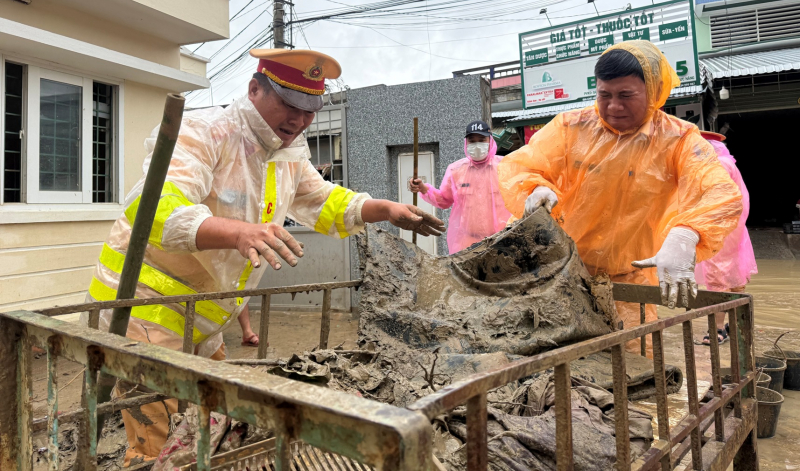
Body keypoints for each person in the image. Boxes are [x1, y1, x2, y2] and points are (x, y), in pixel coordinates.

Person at [86, 48, 444, 466]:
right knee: (158, 445)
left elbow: (324, 200)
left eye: (309, 111)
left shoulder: (287, 153)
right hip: (143, 310)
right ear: (254, 89)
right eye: (289, 105)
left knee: (208, 430)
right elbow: (154, 209)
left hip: (202, 316)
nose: (299, 120)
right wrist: (238, 232)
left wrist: (385, 208)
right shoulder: (206, 132)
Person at [498, 40, 742, 356]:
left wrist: (686, 233)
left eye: (626, 96)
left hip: (630, 280)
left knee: (632, 364)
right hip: (560, 271)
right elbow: (523, 165)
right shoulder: (571, 127)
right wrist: (535, 188)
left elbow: (720, 191)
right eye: (605, 95)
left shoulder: (678, 140)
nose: (613, 106)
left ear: (654, 91)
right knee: (554, 359)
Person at [409, 120, 512, 254]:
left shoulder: (506, 166)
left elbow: (520, 196)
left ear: (490, 141)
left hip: (502, 241)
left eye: (482, 140)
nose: (477, 145)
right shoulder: (456, 170)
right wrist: (424, 189)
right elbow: (444, 200)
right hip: (468, 243)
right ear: (466, 143)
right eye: (472, 141)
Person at [695, 131, 757, 346]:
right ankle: (736, 324)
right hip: (733, 229)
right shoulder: (727, 163)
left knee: (717, 278)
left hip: (719, 230)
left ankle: (717, 329)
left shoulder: (718, 165)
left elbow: (715, 201)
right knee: (735, 276)